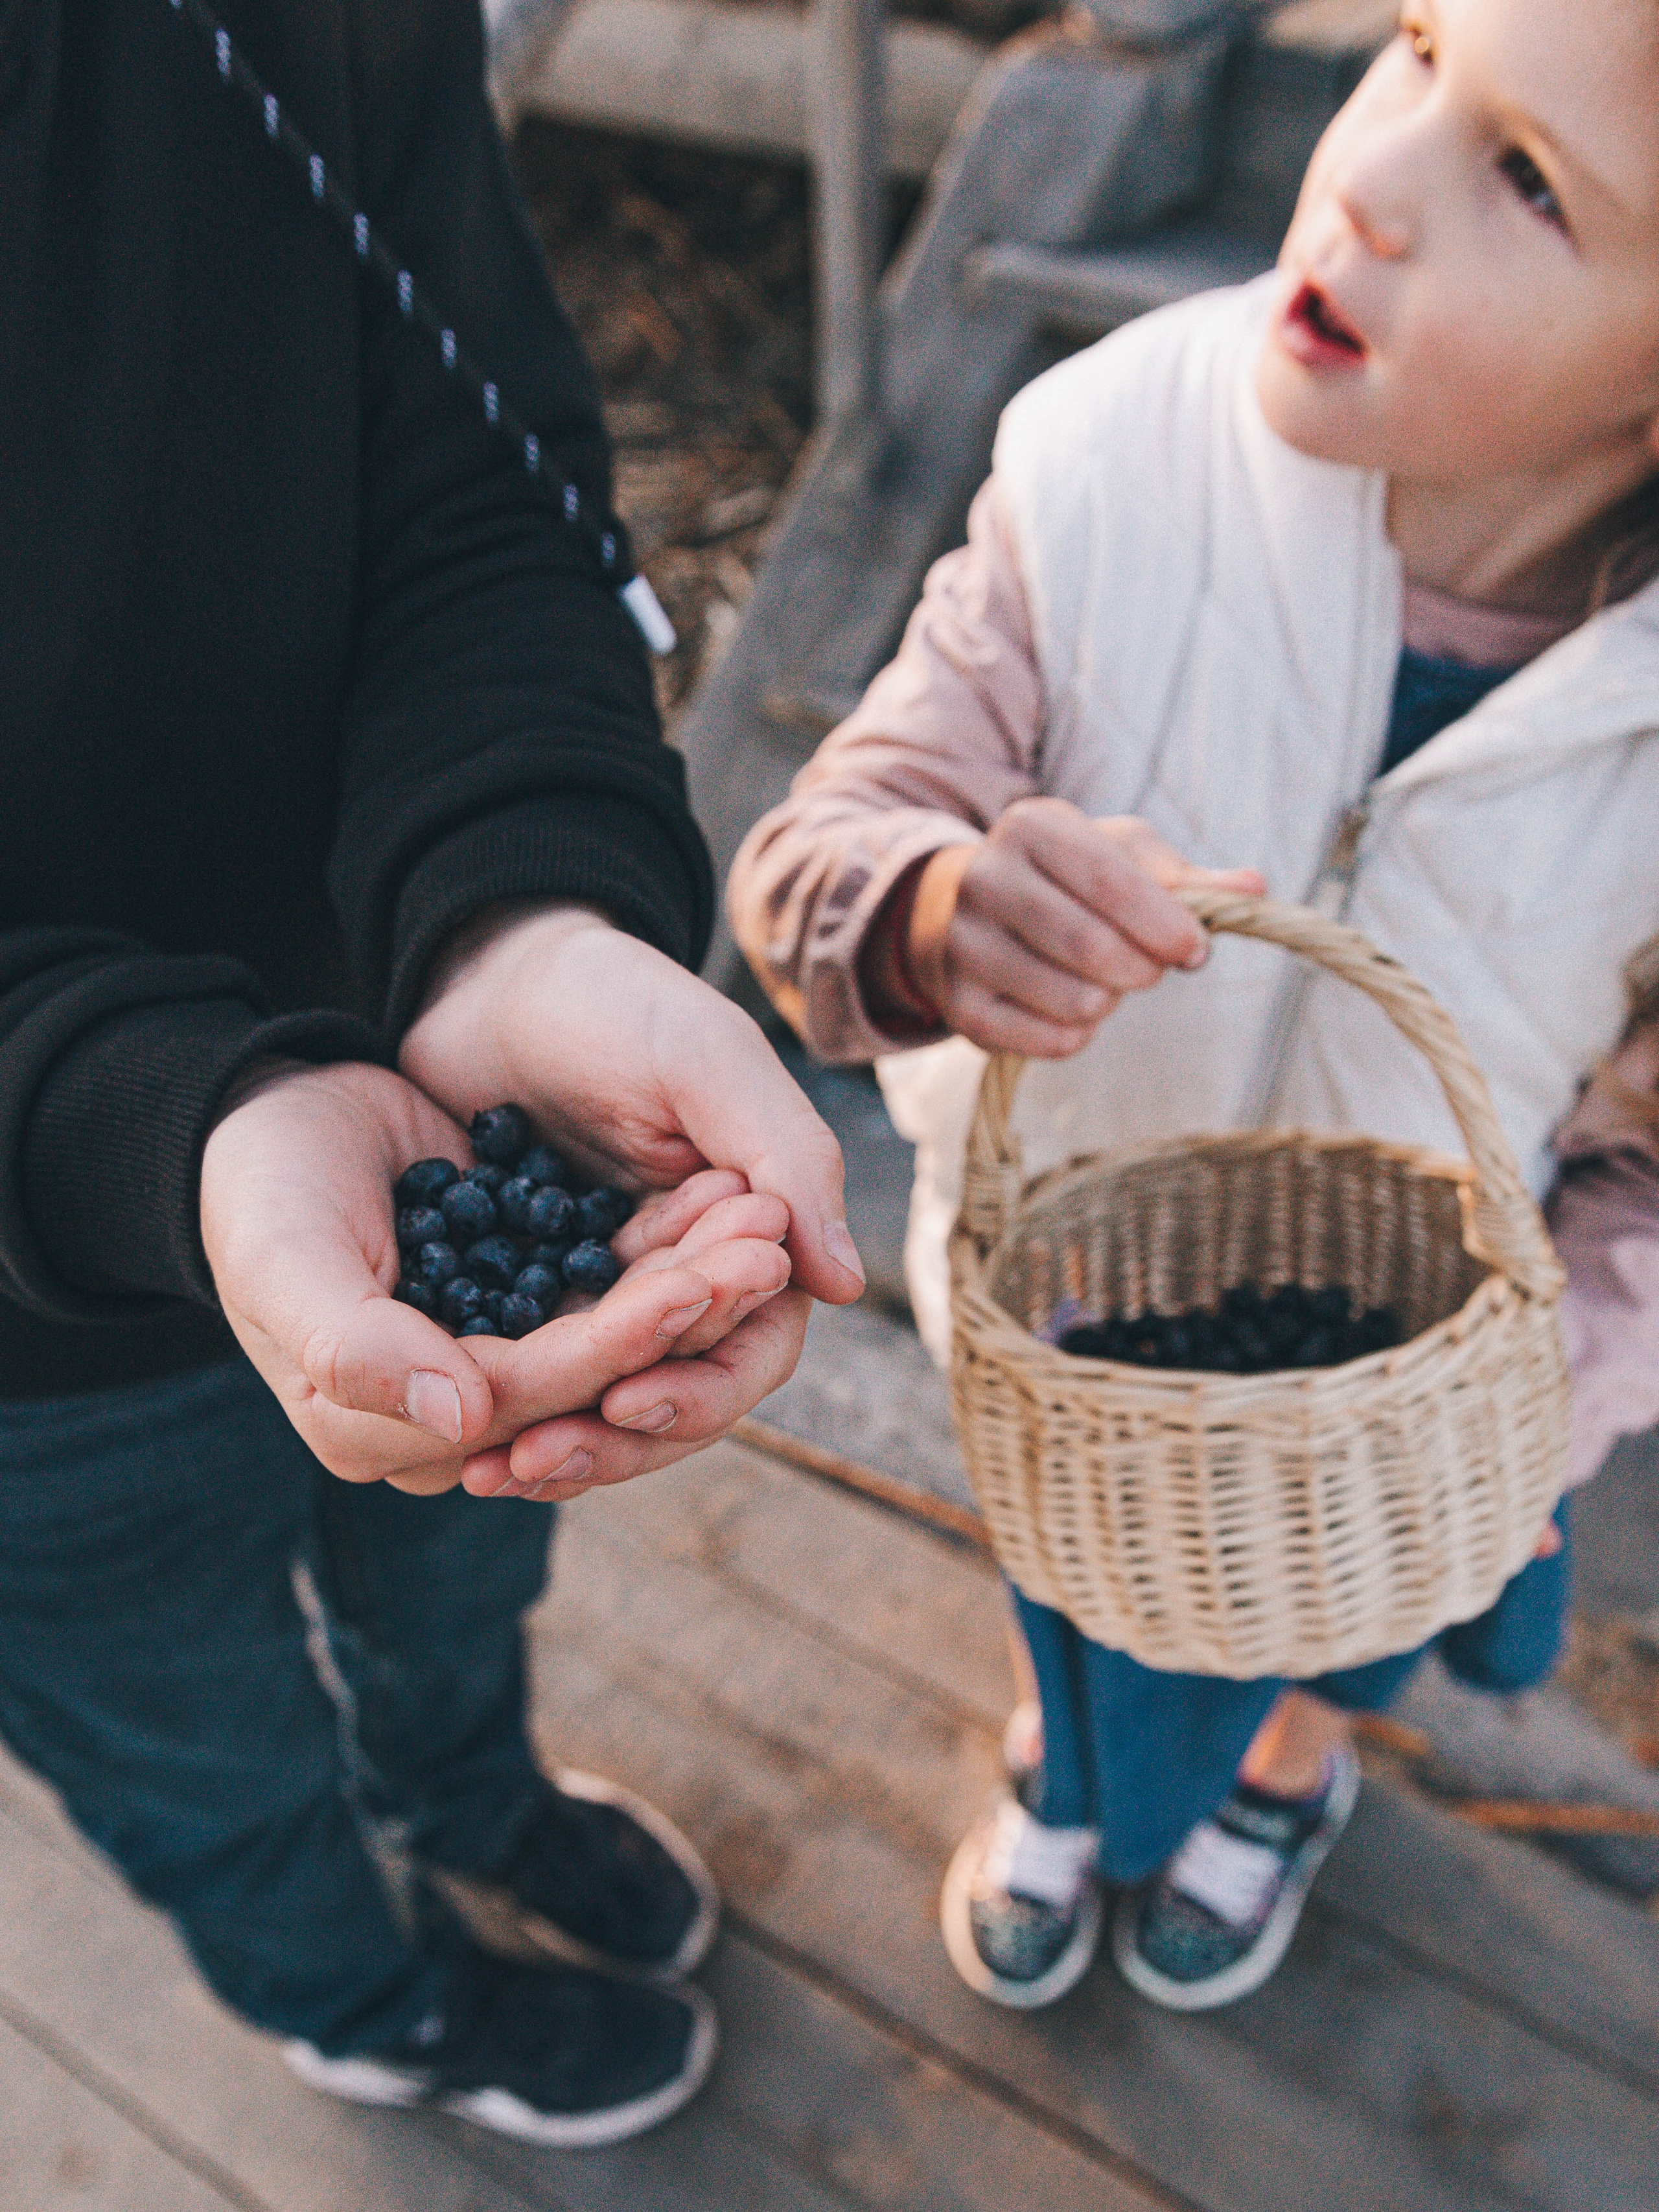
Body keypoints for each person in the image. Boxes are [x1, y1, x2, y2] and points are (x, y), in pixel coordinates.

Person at [728, 0, 1659, 2015]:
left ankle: (1292, 1766)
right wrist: (931, 911)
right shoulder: (1107, 471)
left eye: (1529, 180)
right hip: (1077, 1321)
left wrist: (1521, 1404)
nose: (1373, 176)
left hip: (1421, 1398)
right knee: (1069, 1572)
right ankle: (1067, 1750)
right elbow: (819, 854)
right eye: (1414, 45)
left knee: (1342, 1628)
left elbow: (1648, 1175)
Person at [0, 0, 863, 2149]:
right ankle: (361, 1996)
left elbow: (481, 483)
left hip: (412, 1075)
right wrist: (169, 1121)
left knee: (465, 1553)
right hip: (25, 1388)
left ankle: (470, 1794)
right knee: (200, 1752)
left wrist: (527, 912)